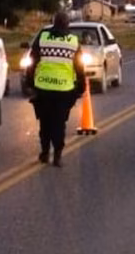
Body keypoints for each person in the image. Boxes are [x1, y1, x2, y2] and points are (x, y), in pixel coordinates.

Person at [24, 11, 87, 167]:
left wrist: (30, 82)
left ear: (53, 23)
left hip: (43, 88)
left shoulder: (43, 37)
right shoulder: (73, 41)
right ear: (67, 25)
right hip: (64, 90)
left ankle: (45, 152)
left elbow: (32, 62)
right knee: (59, 123)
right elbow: (79, 67)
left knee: (45, 123)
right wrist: (81, 86)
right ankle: (57, 155)